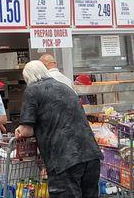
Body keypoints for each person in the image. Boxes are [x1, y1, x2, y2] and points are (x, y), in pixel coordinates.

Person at [16, 61, 102, 198]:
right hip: (90, 153)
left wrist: (19, 131)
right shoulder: (65, 87)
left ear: (27, 78)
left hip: (63, 158)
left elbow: (26, 130)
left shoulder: (32, 90)